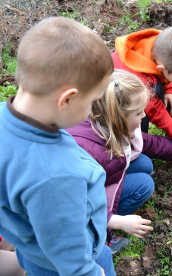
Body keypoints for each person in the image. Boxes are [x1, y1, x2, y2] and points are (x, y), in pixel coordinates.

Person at [0, 17, 116, 276]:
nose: (91, 112)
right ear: (67, 99)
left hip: (32, 252)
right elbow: (72, 261)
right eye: (93, 101)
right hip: (67, 265)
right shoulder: (55, 177)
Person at [67, 69, 172, 255]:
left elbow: (146, 142)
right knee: (144, 185)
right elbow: (77, 203)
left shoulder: (108, 124)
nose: (144, 117)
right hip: (81, 207)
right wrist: (117, 221)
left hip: (103, 174)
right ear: (119, 117)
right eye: (139, 113)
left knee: (144, 164)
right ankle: (99, 235)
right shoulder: (89, 155)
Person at [112, 26, 172, 169]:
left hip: (152, 83)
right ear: (162, 69)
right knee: (141, 116)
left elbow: (163, 76)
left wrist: (171, 90)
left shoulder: (162, 45)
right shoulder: (141, 83)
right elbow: (156, 112)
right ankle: (137, 145)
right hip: (123, 106)